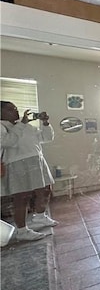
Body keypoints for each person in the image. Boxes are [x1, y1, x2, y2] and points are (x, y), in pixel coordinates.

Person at [0, 101, 58, 241]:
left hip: (37, 160)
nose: (15, 111)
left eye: (15, 108)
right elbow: (8, 142)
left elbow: (46, 138)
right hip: (17, 164)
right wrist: (22, 124)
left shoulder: (26, 126)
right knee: (22, 197)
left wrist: (45, 123)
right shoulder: (2, 126)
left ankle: (40, 217)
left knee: (45, 189)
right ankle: (22, 231)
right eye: (10, 109)